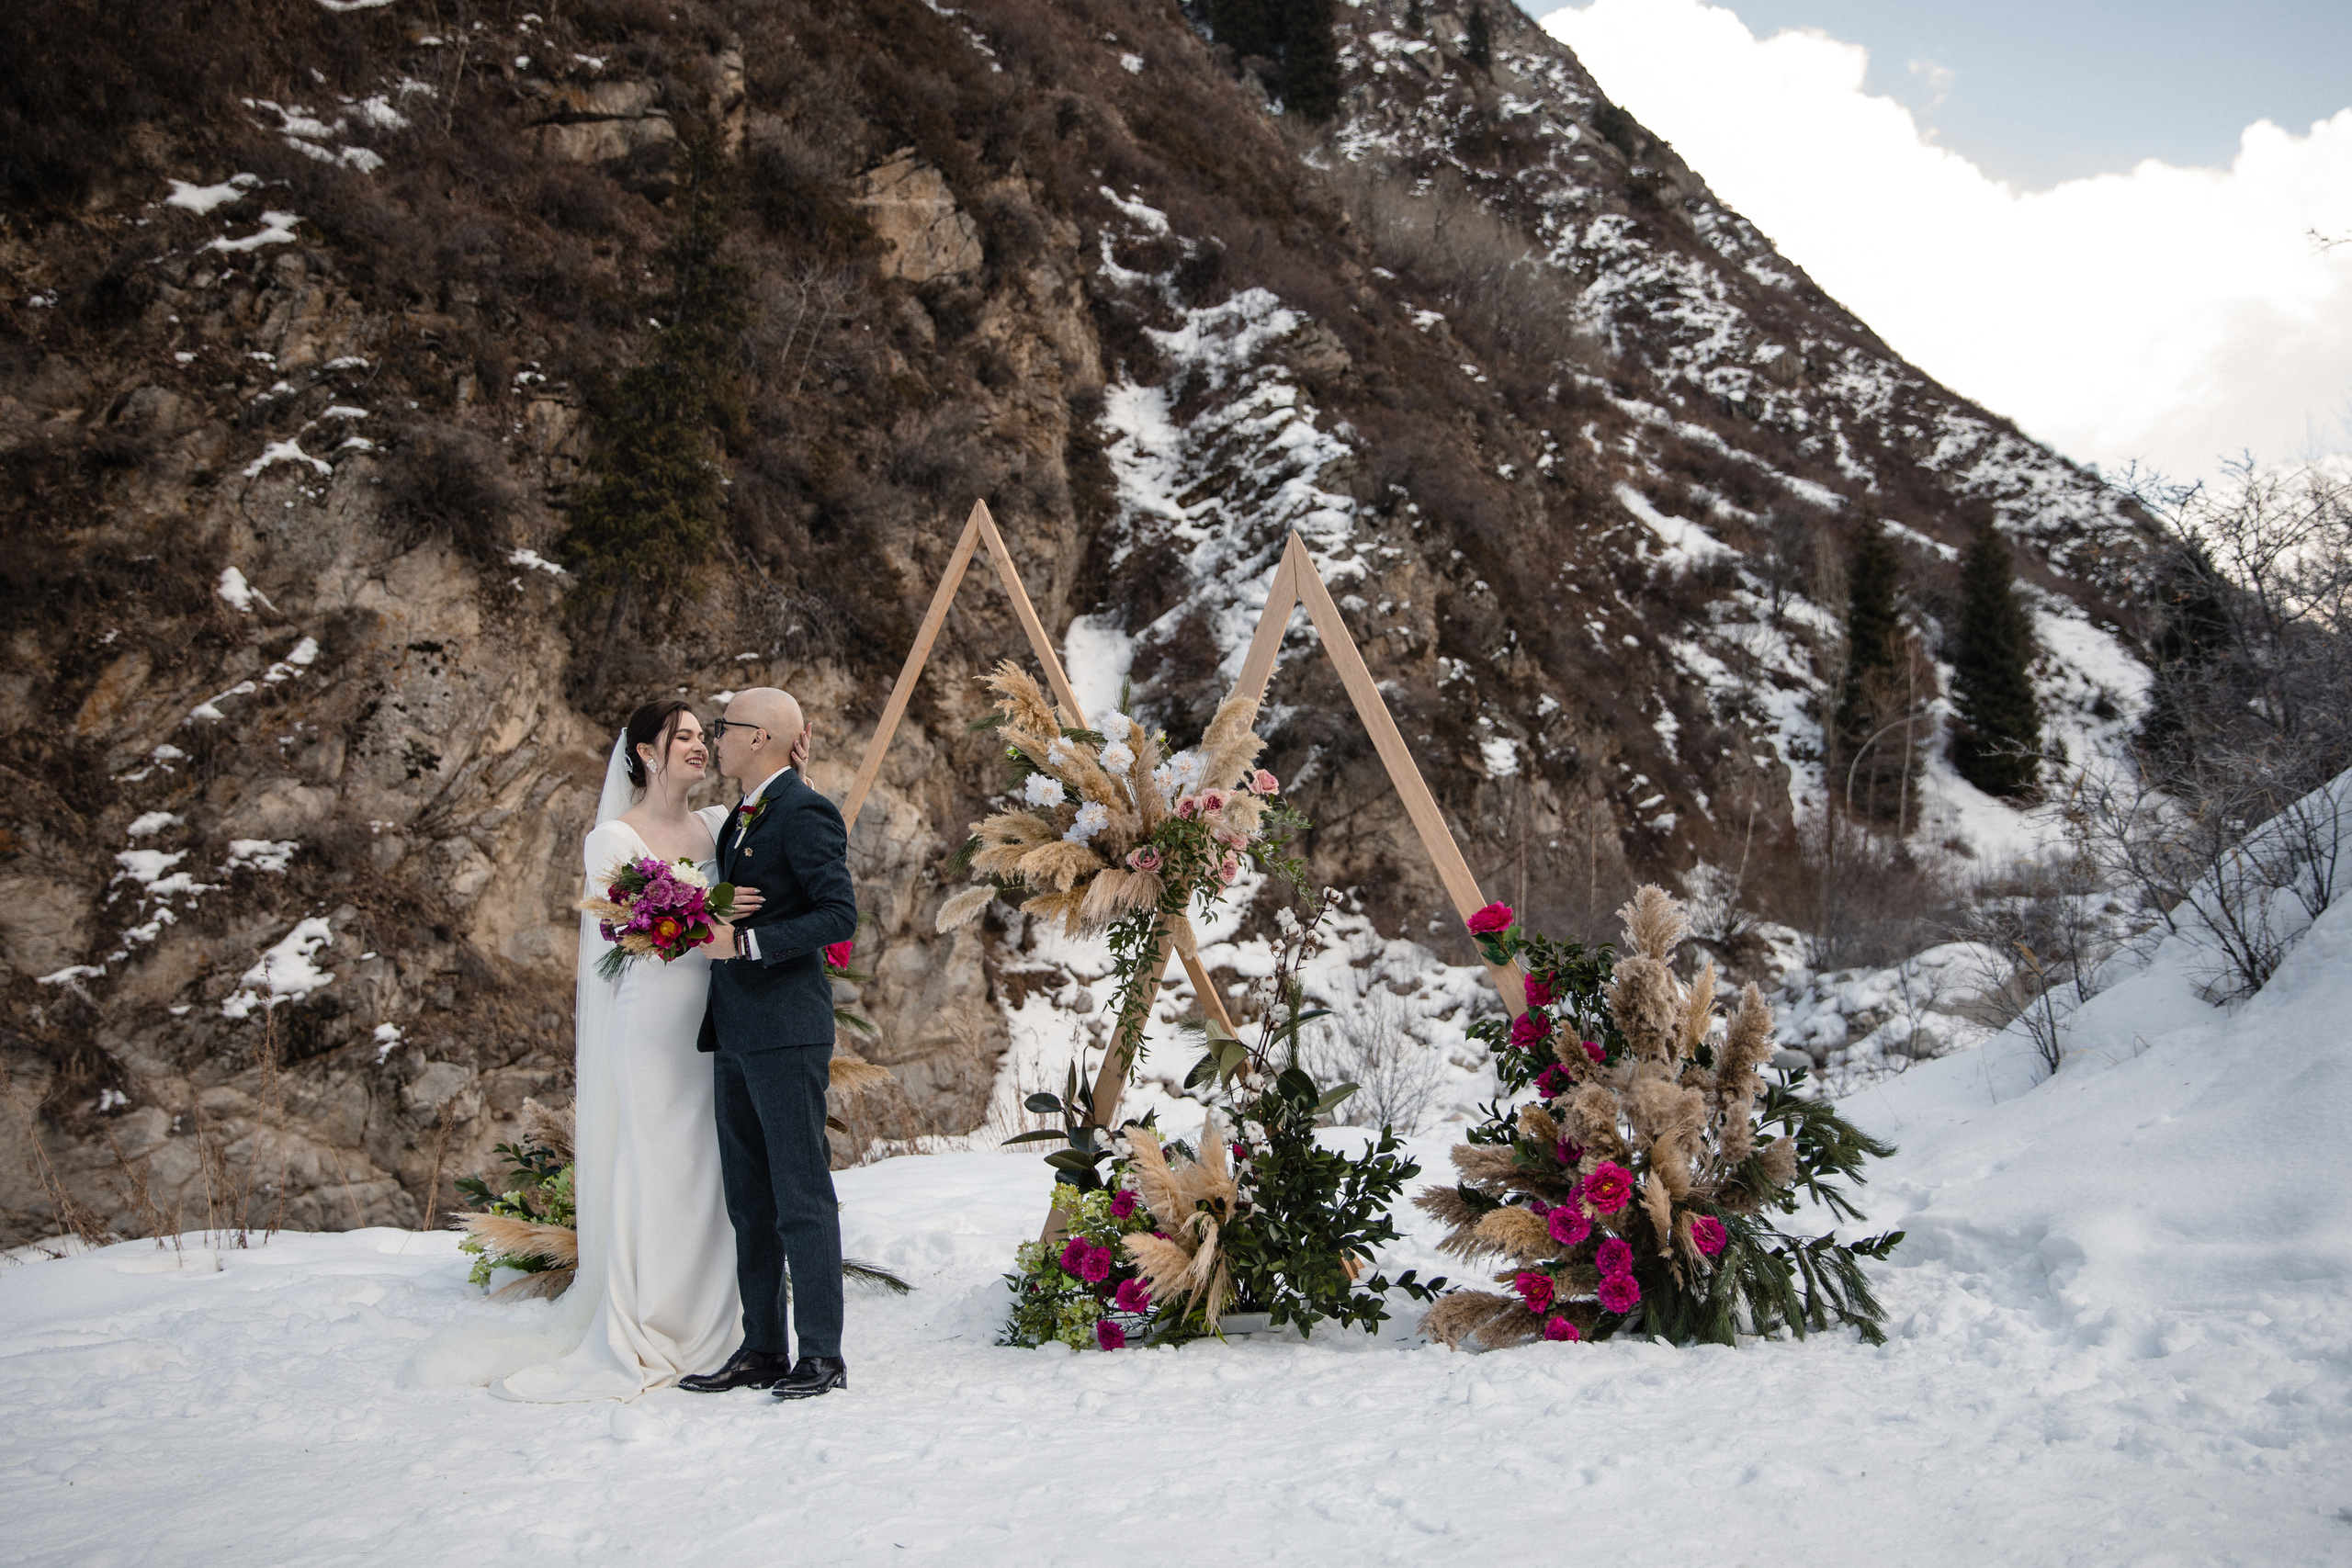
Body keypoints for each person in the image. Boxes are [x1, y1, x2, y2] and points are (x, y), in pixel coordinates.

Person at [488, 699, 797, 1403]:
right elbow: (634, 928)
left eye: (701, 735)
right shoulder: (612, 839)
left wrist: (789, 765)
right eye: (682, 735)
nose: (698, 744)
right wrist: (711, 911)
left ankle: (722, 1326)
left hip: (718, 1018)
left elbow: (776, 838)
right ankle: (649, 1320)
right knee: (656, 1166)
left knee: (712, 1169)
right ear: (647, 753)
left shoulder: (719, 824)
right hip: (652, 1023)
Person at [677, 687, 859, 1401]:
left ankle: (821, 1352)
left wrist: (745, 941)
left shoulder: (803, 810)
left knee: (799, 1192)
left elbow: (838, 913)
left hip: (786, 1030)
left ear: (759, 737)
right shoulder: (747, 815)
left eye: (723, 728)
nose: (714, 738)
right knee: (749, 1198)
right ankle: (761, 1347)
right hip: (736, 1031)